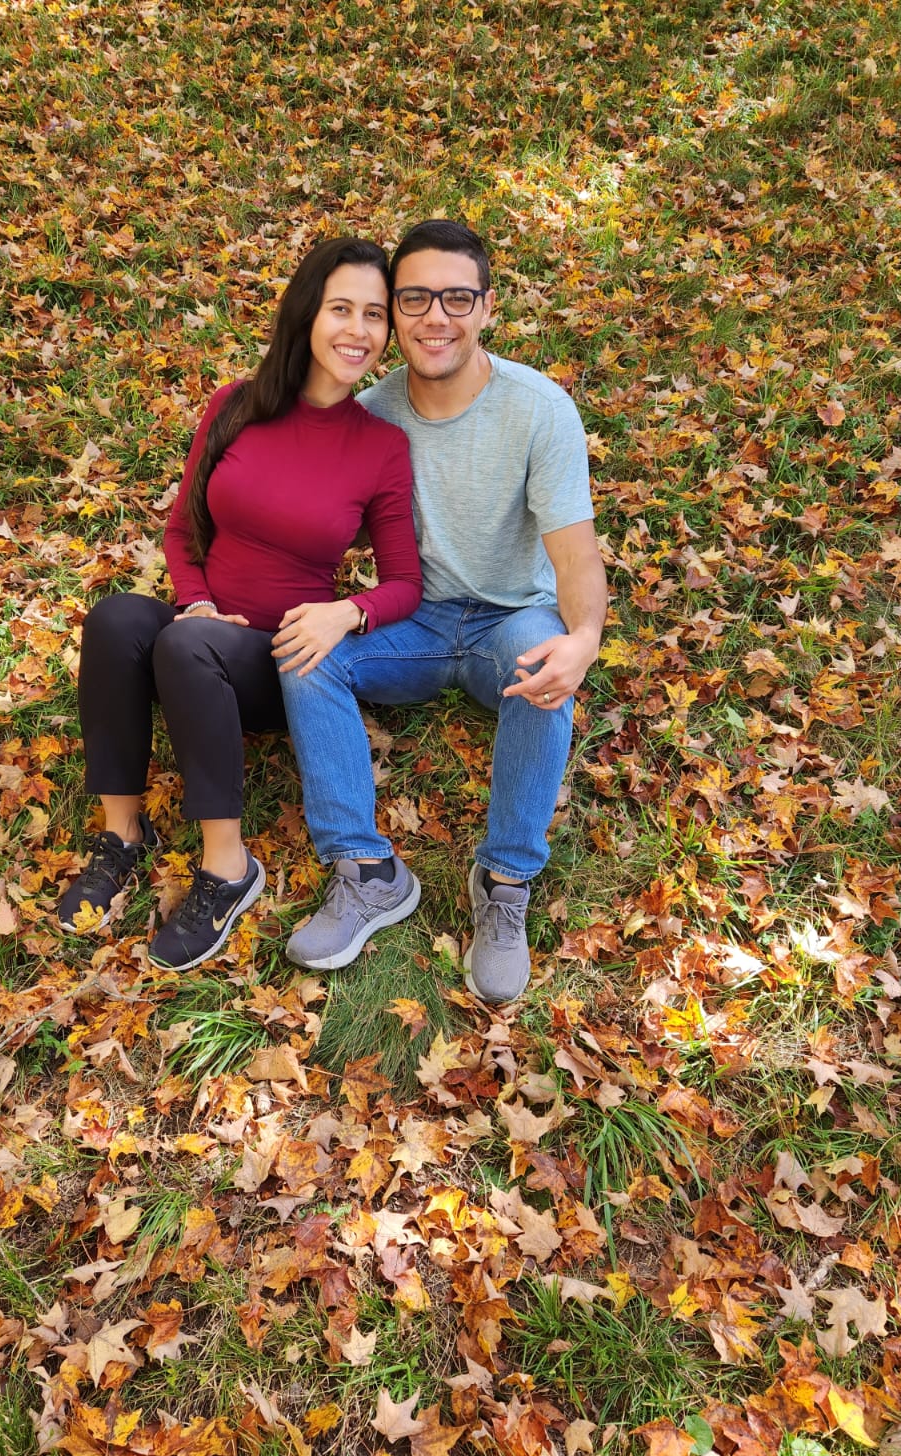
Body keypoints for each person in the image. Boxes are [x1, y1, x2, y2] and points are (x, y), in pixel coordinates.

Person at [58, 237, 422, 970]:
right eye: (341, 309)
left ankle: (228, 870)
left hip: (274, 660)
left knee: (186, 645)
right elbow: (182, 526)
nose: (358, 330)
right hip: (196, 634)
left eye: (374, 315)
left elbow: (404, 583)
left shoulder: (379, 446)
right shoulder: (238, 406)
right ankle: (122, 834)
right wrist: (193, 601)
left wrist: (345, 612)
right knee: (119, 619)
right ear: (306, 315)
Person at [279, 220, 607, 1005]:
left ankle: (505, 879)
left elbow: (574, 554)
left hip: (510, 619)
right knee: (303, 650)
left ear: (487, 307)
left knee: (543, 668)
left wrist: (584, 639)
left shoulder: (539, 409)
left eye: (456, 298)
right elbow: (299, 512)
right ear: (393, 313)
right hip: (414, 617)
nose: (436, 317)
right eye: (415, 298)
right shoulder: (373, 414)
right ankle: (365, 874)